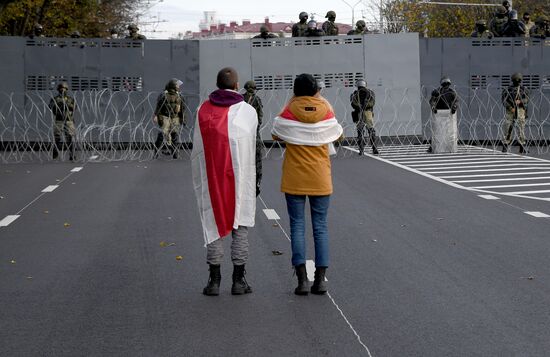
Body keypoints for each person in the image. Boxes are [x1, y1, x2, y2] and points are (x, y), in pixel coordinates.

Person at [272, 73, 343, 296]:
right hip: (320, 177)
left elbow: (275, 133)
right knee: (320, 227)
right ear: (316, 90)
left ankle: (302, 280)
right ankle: (320, 280)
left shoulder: (289, 111)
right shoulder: (326, 111)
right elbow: (338, 135)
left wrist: (291, 103)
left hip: (294, 178)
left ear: (295, 91)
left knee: (297, 226)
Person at [192, 67, 257, 296]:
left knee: (213, 223)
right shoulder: (247, 111)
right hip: (240, 177)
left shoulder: (202, 110)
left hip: (212, 178)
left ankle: (214, 280)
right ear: (237, 85)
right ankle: (239, 281)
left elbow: (198, 149)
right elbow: (254, 147)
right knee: (240, 224)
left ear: (217, 85)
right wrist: (257, 179)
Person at [153, 79, 186, 159]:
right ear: (173, 86)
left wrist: (183, 119)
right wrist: (156, 115)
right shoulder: (164, 95)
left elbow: (182, 109)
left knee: (174, 135)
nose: (178, 87)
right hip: (165, 117)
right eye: (177, 85)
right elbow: (159, 107)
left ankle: (175, 154)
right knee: (161, 135)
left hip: (175, 117)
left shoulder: (179, 96)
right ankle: (156, 153)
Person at [243, 80, 263, 196]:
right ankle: (256, 184)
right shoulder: (256, 99)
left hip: (243, 131)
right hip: (253, 131)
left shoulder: (241, 99)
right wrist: (258, 124)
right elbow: (260, 114)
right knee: (257, 160)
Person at [428, 77, 458, 153]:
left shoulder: (452, 92)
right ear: (442, 84)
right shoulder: (437, 92)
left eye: (447, 84)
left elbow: (456, 101)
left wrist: (454, 107)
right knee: (437, 131)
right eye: (444, 84)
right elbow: (432, 101)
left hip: (449, 114)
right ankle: (433, 146)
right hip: (439, 113)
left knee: (450, 132)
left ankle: (450, 147)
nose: (446, 86)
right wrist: (433, 107)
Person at [501, 72, 529, 154]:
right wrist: (510, 107)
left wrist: (520, 101)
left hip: (520, 110)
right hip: (511, 111)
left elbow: (527, 99)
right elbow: (504, 100)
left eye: (519, 80)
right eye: (516, 80)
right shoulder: (508, 89)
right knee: (508, 128)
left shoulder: (523, 89)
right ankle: (505, 145)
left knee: (521, 128)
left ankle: (522, 146)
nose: (518, 82)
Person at [49, 82, 76, 161]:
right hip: (59, 120)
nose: (63, 90)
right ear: (58, 90)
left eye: (64, 89)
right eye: (61, 89)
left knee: (70, 138)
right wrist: (59, 104)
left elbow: (74, 107)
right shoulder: (55, 99)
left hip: (68, 120)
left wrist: (67, 104)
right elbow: (51, 106)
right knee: (57, 137)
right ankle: (55, 151)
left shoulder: (70, 99)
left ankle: (72, 154)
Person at [350, 79, 379, 155]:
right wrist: (365, 106)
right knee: (371, 130)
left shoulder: (354, 94)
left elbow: (353, 104)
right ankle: (374, 148)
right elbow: (372, 103)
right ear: (365, 84)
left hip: (359, 113)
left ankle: (361, 150)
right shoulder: (370, 93)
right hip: (368, 113)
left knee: (360, 131)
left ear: (357, 85)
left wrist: (360, 107)